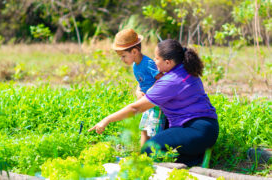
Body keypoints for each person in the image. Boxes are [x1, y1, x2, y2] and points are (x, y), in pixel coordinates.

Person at [89, 39, 219, 167]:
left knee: (149, 149)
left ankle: (195, 157)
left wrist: (106, 120)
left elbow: (135, 109)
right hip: (207, 127)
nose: (154, 61)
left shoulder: (170, 81)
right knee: (161, 145)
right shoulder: (185, 69)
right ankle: (192, 155)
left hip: (197, 131)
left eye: (157, 58)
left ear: (167, 62)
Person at [111, 29, 166, 146]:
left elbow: (162, 79)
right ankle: (143, 153)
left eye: (123, 56)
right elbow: (142, 82)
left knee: (153, 127)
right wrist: (138, 91)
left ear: (134, 52)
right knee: (144, 127)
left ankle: (154, 155)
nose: (122, 59)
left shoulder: (148, 63)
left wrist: (152, 90)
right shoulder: (136, 65)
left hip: (155, 102)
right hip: (146, 101)